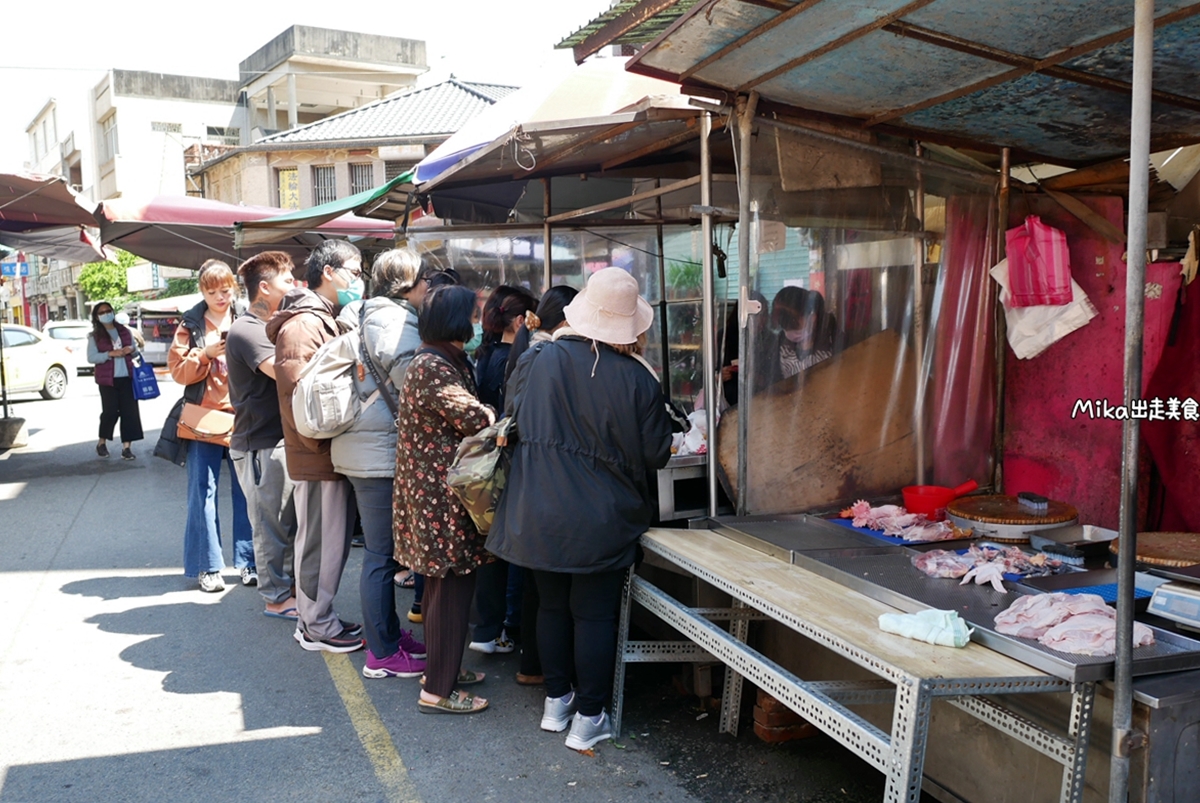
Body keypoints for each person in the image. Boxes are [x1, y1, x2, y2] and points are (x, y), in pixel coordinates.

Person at [486, 267, 674, 750]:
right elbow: (655, 454)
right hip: (601, 519)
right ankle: (589, 718)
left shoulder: (537, 358)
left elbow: (513, 420)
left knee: (551, 605)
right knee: (593, 616)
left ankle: (556, 703)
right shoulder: (638, 379)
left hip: (536, 508)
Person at [393, 284, 496, 715]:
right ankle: (438, 690)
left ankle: (442, 668)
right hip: (440, 499)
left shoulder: (441, 359)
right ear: (457, 320)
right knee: (450, 589)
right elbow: (474, 417)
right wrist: (492, 413)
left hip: (435, 493)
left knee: (441, 588)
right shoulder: (433, 366)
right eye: (473, 315)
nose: (476, 323)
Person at [331, 249, 430, 679]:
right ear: (407, 283)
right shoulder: (394, 320)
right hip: (377, 454)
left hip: (365, 448)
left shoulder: (368, 311)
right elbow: (414, 385)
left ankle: (386, 634)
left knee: (382, 553)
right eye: (423, 279)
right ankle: (382, 653)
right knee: (380, 555)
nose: (428, 287)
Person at [266, 239, 364, 653]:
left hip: (326, 452)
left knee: (330, 544)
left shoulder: (322, 316)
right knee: (319, 545)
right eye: (354, 272)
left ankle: (318, 616)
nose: (359, 280)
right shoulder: (305, 324)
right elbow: (299, 397)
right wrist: (320, 447)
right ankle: (316, 624)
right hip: (318, 454)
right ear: (330, 272)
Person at [500, 285, 578, 686]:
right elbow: (517, 414)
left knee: (538, 582)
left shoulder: (533, 349)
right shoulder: (542, 354)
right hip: (534, 473)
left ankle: (534, 666)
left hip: (531, 472)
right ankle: (535, 667)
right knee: (539, 585)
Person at [167, 260, 253, 593]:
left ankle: (249, 562)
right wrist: (204, 354)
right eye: (213, 291)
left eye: (226, 289)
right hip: (203, 418)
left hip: (244, 416)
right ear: (202, 291)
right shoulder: (190, 323)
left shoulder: (246, 316)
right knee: (202, 493)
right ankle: (208, 567)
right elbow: (177, 372)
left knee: (248, 492)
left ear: (234, 288)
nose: (221, 296)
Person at [227, 251, 299, 618]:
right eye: (288, 280)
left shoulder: (269, 325)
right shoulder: (247, 330)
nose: (295, 285)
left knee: (285, 521)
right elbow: (282, 372)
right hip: (259, 444)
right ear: (265, 287)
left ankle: (286, 590)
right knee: (270, 524)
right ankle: (275, 597)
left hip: (276, 440)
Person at [469, 285, 538, 656]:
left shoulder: (487, 354)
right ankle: (503, 626)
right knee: (507, 548)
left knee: (495, 546)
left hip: (491, 461)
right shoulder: (512, 358)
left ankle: (489, 627)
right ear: (519, 320)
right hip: (506, 459)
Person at [87, 301, 144, 460]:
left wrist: (131, 350)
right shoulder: (95, 336)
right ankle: (102, 442)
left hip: (127, 377)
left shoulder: (125, 331)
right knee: (110, 412)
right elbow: (91, 357)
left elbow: (135, 351)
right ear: (97, 317)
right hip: (107, 380)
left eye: (108, 311)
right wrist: (109, 354)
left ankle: (127, 447)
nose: (106, 314)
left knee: (129, 412)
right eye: (102, 312)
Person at [768, 286, 834, 383]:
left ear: (812, 316)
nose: (789, 332)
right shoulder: (780, 344)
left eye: (794, 326)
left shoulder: (834, 339)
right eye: (784, 327)